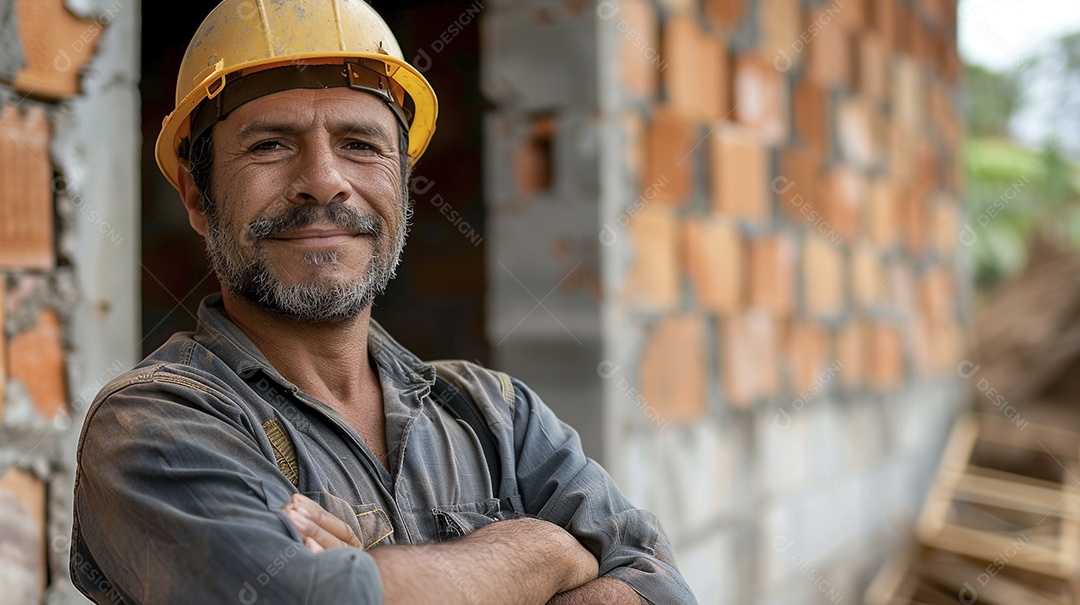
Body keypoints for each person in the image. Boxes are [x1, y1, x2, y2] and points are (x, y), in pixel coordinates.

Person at [70, 1, 696, 603]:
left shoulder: (498, 418)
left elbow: (662, 589)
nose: (323, 181)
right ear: (196, 196)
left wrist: (381, 580)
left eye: (360, 144)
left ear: (400, 185)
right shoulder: (156, 427)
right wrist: (544, 550)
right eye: (270, 145)